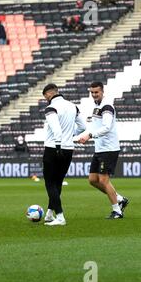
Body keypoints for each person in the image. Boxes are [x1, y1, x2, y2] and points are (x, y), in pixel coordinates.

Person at [78, 81, 129, 219]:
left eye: (96, 92)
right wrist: (83, 136)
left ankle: (117, 211)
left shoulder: (106, 106)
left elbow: (107, 127)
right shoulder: (96, 106)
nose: (94, 95)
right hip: (100, 148)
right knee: (93, 180)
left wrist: (90, 135)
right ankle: (119, 199)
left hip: (109, 148)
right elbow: (95, 126)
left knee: (103, 179)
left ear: (102, 92)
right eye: (92, 92)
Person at [41, 84, 86, 226]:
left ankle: (60, 216)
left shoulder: (51, 108)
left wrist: (58, 145)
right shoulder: (73, 106)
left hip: (53, 147)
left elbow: (56, 130)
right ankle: (49, 214)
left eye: (45, 97)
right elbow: (83, 127)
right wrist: (70, 137)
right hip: (69, 148)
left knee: (49, 182)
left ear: (48, 94)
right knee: (58, 182)